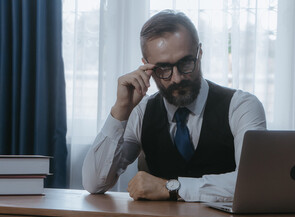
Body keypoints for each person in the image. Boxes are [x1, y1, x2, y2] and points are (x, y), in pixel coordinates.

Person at [82, 10, 266, 202]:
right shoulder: (140, 112)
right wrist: (120, 110)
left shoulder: (241, 106)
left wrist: (172, 188)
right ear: (147, 67)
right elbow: (94, 184)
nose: (177, 78)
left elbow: (254, 182)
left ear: (199, 53)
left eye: (186, 63)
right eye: (163, 68)